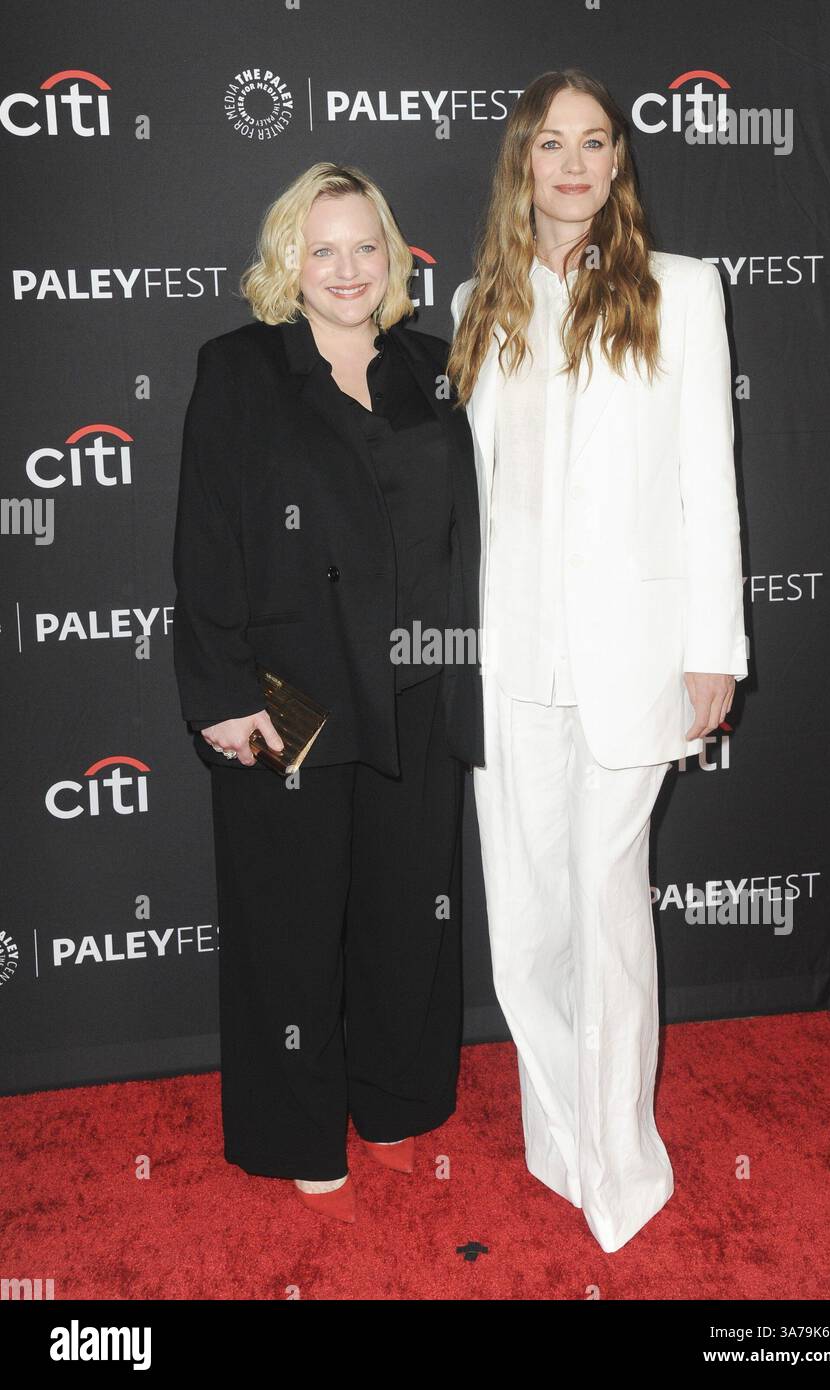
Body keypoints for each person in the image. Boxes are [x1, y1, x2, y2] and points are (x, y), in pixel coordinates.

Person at [448, 69, 748, 1252]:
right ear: (523, 162)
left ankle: (622, 1168)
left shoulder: (681, 291)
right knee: (523, 923)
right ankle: (560, 1138)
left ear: (619, 163)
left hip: (634, 661)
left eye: (595, 143)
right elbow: (477, 497)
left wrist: (714, 647)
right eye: (551, 144)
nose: (573, 164)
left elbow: (706, 481)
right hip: (512, 659)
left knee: (606, 912)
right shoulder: (482, 299)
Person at [172, 162, 483, 1223]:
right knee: (288, 921)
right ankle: (297, 1128)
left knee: (408, 910)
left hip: (417, 686)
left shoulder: (435, 370)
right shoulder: (239, 368)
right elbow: (206, 535)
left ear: (394, 257)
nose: (347, 269)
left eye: (365, 247)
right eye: (322, 249)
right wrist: (218, 689)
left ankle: (395, 1099)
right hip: (285, 691)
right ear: (286, 263)